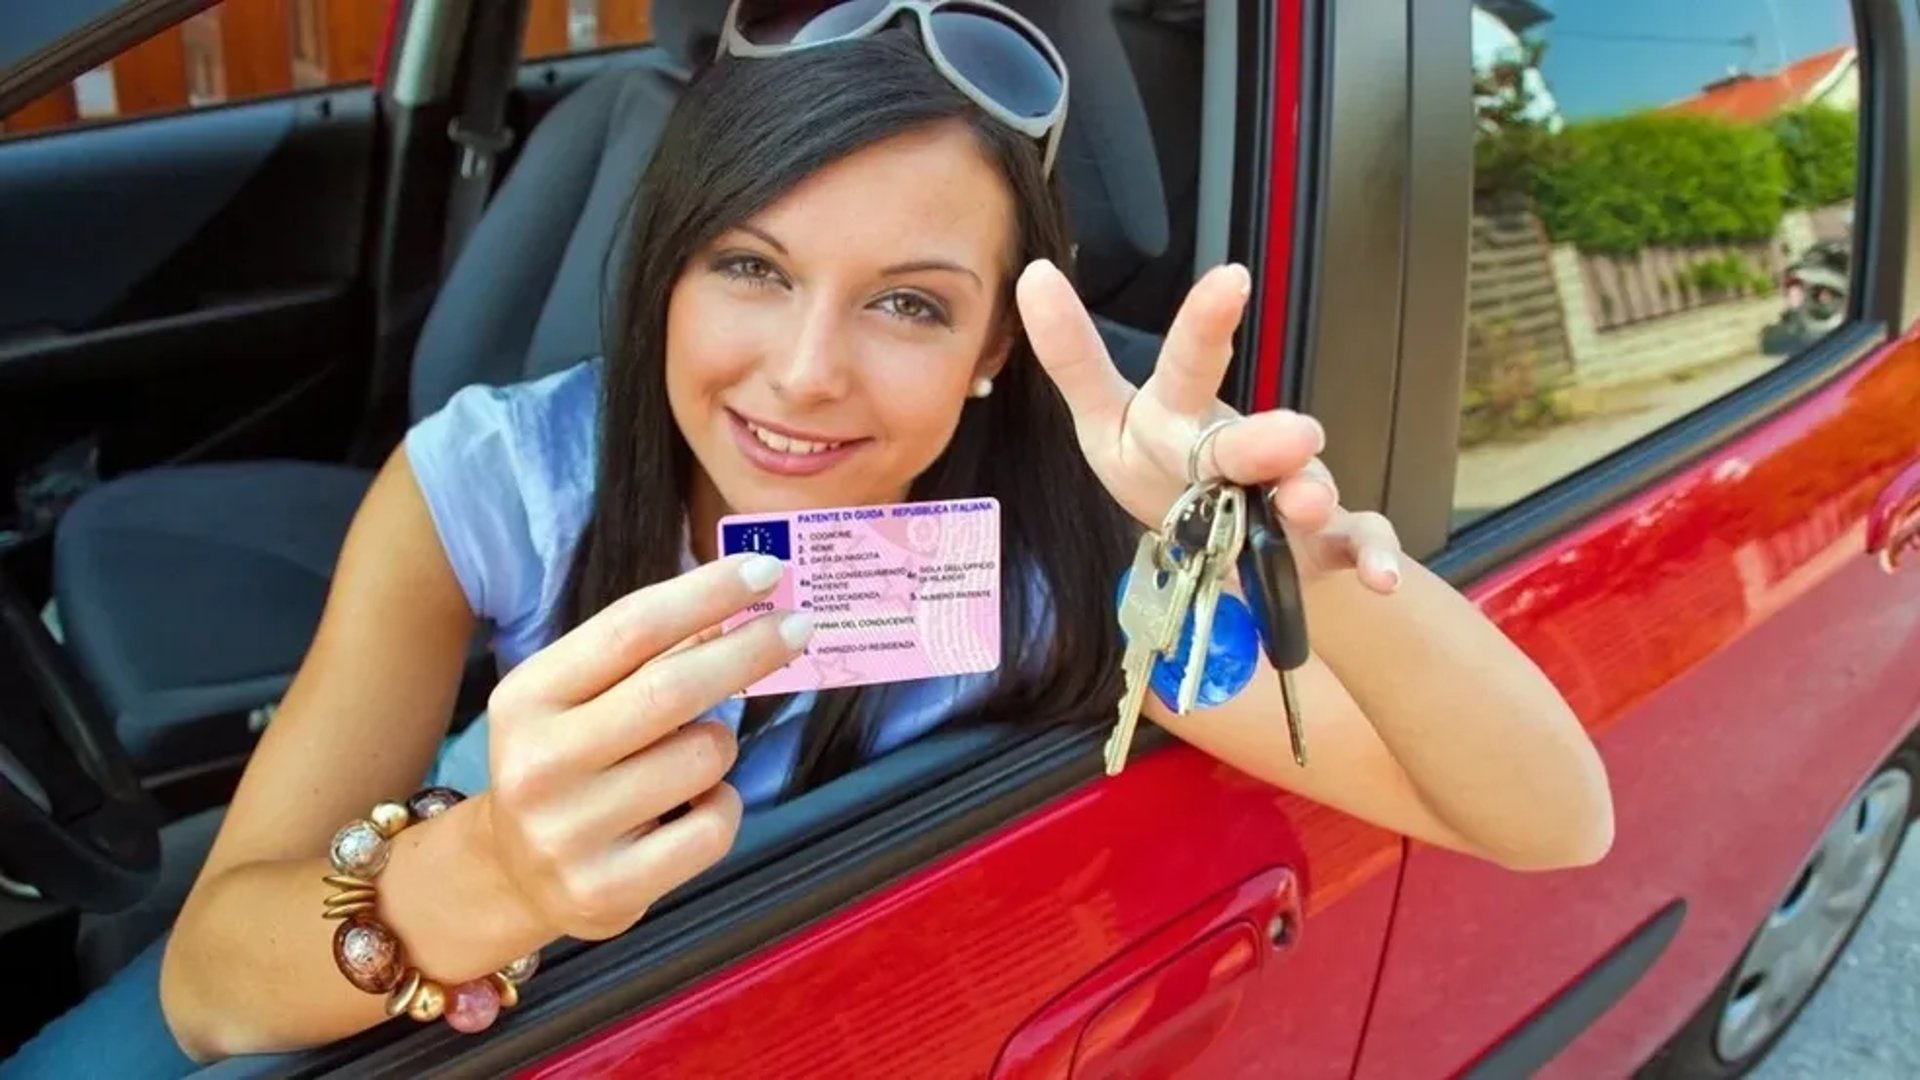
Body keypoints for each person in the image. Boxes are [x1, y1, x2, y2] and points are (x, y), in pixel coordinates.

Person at [4, 1, 1613, 1074]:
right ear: (665, 276)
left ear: (995, 351)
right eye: (751, 270)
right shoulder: (494, 483)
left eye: (909, 304)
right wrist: (488, 866)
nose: (802, 373)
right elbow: (216, 981)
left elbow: (1551, 822)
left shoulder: (1034, 579)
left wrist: (1318, 567)